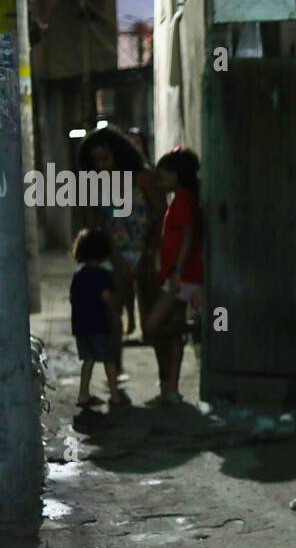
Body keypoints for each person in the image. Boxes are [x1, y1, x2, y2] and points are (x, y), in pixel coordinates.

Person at [78, 127, 165, 348]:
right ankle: (114, 372)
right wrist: (113, 255)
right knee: (110, 313)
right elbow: (100, 223)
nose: (101, 165)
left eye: (105, 158)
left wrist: (150, 251)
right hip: (116, 253)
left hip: (149, 252)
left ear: (118, 152)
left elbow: (162, 214)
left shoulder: (143, 177)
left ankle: (166, 378)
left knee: (153, 322)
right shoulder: (97, 184)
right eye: (95, 161)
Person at [143, 146, 204, 404]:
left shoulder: (181, 200)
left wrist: (177, 270)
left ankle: (195, 327)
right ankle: (172, 391)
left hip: (183, 277)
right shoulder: (183, 198)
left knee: (153, 325)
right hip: (183, 275)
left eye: (163, 177)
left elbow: (187, 236)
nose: (159, 182)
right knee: (174, 333)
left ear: (176, 176)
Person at [70, 228, 128, 409]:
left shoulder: (78, 275)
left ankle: (83, 395)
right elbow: (106, 297)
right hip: (98, 325)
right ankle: (115, 395)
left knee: (88, 360)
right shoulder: (103, 275)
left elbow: (72, 298)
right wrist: (116, 315)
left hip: (80, 325)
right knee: (108, 359)